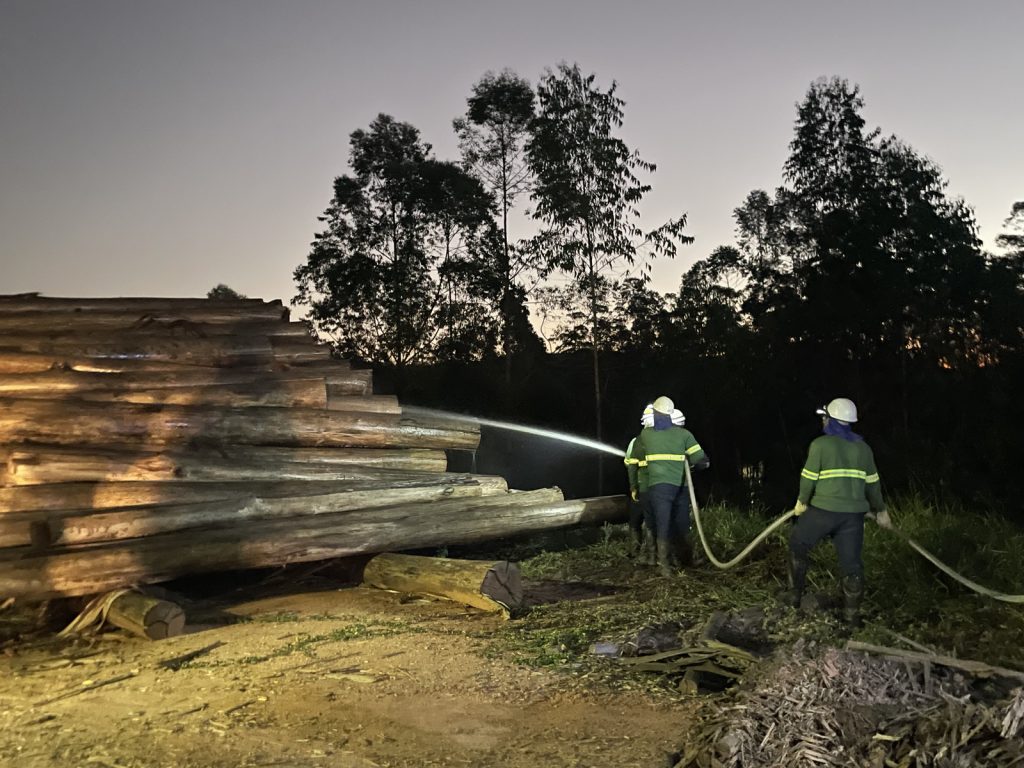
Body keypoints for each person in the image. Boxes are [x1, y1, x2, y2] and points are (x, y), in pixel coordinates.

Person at [783, 397, 892, 626]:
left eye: (824, 418)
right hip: (853, 517)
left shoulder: (821, 445)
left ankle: (793, 598)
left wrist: (802, 502)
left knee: (798, 545)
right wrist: (881, 511)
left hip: (823, 511)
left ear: (830, 420)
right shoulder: (864, 448)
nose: (822, 422)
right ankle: (851, 617)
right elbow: (873, 484)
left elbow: (808, 478)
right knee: (852, 565)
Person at [633, 396, 709, 577]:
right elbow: (701, 460)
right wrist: (699, 464)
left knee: (664, 523)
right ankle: (684, 560)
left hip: (659, 488)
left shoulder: (646, 435)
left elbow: (638, 453)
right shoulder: (684, 435)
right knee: (681, 523)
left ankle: (666, 564)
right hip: (680, 486)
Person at [624, 404, 654, 564]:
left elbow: (629, 464)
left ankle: (634, 552)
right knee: (651, 522)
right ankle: (651, 556)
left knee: (635, 521)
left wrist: (633, 487)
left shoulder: (635, 442)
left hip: (640, 488)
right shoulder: (662, 441)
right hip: (657, 489)